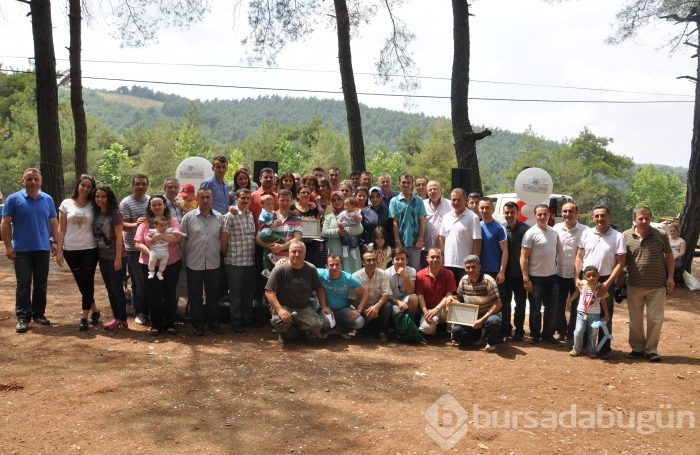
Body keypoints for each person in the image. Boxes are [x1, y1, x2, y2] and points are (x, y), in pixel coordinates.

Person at [2, 168, 59, 333]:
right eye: (29, 179)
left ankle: (38, 314)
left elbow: (53, 222)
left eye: (36, 179)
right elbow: (5, 223)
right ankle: (23, 317)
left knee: (41, 284)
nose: (33, 182)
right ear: (23, 180)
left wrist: (55, 242)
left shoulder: (47, 199)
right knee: (23, 284)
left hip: (42, 248)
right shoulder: (13, 199)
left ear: (40, 181)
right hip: (22, 250)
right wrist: (8, 246)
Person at [575, 204, 626, 359]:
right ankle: (585, 346)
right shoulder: (586, 234)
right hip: (586, 279)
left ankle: (603, 349)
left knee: (605, 314)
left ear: (608, 217)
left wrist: (607, 284)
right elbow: (579, 257)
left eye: (602, 215)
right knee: (585, 311)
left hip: (605, 279)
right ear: (593, 217)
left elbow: (621, 263)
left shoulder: (618, 236)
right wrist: (577, 277)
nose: (599, 219)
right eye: (596, 216)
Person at [623, 206, 674, 362]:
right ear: (635, 219)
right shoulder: (625, 236)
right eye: (641, 218)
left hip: (657, 285)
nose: (644, 221)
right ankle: (637, 348)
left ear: (650, 219)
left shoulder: (661, 235)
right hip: (634, 284)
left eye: (647, 218)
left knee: (655, 319)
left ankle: (651, 350)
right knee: (635, 320)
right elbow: (621, 260)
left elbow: (670, 257)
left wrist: (670, 277)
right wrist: (619, 280)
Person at [56, 174, 100, 331]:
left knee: (87, 281)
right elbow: (61, 228)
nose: (85, 189)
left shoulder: (94, 204)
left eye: (89, 186)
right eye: (83, 185)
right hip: (70, 249)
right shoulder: (66, 204)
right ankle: (95, 310)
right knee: (81, 282)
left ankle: (84, 317)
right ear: (78, 186)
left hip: (90, 248)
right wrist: (59, 249)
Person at [135, 195, 183, 336]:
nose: (157, 207)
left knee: (169, 294)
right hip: (149, 264)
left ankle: (170, 324)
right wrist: (151, 255)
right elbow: (138, 243)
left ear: (165, 206)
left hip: (172, 263)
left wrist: (159, 236)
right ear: (150, 207)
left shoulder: (172, 221)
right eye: (153, 205)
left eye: (159, 204)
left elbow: (175, 238)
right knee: (155, 295)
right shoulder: (144, 224)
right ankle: (156, 324)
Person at [266, 240, 330, 344]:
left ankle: (298, 329)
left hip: (303, 307)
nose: (296, 254)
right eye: (294, 251)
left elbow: (319, 289)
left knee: (317, 326)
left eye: (300, 252)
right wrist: (280, 310)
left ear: (305, 254)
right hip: (284, 306)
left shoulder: (311, 269)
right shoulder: (280, 269)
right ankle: (284, 332)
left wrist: (323, 307)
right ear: (289, 253)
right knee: (278, 322)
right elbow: (269, 292)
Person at [180, 188, 224, 337]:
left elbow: (222, 239)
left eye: (208, 197)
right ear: (198, 199)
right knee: (195, 296)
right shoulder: (188, 217)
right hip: (194, 263)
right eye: (202, 197)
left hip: (213, 262)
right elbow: (182, 241)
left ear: (211, 199)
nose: (205, 200)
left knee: (213, 295)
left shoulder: (219, 218)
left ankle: (213, 323)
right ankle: (198, 324)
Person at [520, 204, 562, 345]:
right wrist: (526, 278)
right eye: (539, 214)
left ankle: (548, 335)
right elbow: (523, 257)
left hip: (552, 277)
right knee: (535, 310)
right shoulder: (530, 233)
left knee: (551, 310)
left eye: (545, 214)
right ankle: (535, 335)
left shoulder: (554, 232)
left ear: (549, 215)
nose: (542, 217)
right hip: (535, 278)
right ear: (535, 215)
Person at [92, 184, 129, 330]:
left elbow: (119, 237)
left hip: (116, 256)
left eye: (103, 196)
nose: (100, 199)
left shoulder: (114, 213)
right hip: (103, 256)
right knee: (110, 288)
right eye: (97, 196)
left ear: (109, 198)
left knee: (116, 288)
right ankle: (117, 317)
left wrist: (118, 258)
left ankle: (122, 319)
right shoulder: (96, 213)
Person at [448, 255, 503, 351]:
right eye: (468, 267)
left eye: (473, 267)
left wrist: (482, 320)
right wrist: (452, 299)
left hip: (488, 315)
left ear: (479, 267)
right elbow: (460, 299)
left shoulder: (488, 281)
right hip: (471, 318)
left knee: (494, 322)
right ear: (464, 268)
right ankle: (479, 336)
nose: (470, 270)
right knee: (456, 331)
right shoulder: (464, 280)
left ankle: (491, 341)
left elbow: (498, 303)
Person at [221, 188, 256, 333]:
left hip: (249, 261)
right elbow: (224, 238)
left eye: (248, 198)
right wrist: (225, 256)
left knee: (248, 293)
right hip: (234, 261)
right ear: (236, 198)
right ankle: (236, 321)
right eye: (243, 198)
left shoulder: (250, 215)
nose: (246, 201)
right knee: (235, 294)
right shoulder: (230, 216)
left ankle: (247, 319)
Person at [552, 202, 587, 342]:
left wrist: (579, 276)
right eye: (565, 211)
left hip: (577, 276)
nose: (567, 214)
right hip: (559, 273)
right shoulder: (555, 229)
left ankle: (572, 332)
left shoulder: (585, 231)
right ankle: (560, 330)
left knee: (576, 306)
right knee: (558, 304)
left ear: (576, 213)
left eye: (571, 211)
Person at [120, 174, 150, 324]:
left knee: (151, 280)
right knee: (138, 282)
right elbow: (122, 225)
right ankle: (139, 312)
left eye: (143, 184)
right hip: (133, 249)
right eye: (137, 184)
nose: (140, 186)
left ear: (147, 186)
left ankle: (150, 310)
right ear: (132, 186)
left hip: (150, 248)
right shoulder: (126, 203)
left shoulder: (151, 201)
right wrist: (136, 224)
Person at [317, 255, 368, 339]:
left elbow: (365, 293)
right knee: (326, 322)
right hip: (327, 309)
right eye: (331, 265)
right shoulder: (320, 273)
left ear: (341, 265)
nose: (334, 267)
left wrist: (358, 310)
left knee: (360, 321)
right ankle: (328, 330)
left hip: (343, 309)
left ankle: (342, 330)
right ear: (326, 266)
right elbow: (306, 266)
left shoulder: (348, 278)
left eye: (337, 264)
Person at [499, 201, 529, 341]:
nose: (509, 215)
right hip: (504, 274)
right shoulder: (501, 229)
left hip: (519, 275)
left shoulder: (525, 230)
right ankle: (505, 329)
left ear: (517, 213)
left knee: (520, 304)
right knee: (504, 303)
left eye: (512, 212)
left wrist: (527, 276)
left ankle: (519, 330)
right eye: (507, 212)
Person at [439, 188, 482, 284]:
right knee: (450, 295)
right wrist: (441, 257)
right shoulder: (446, 217)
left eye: (459, 199)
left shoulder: (472, 217)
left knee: (465, 295)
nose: (456, 202)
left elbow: (477, 242)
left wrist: (474, 262)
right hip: (447, 263)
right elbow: (442, 238)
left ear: (465, 200)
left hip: (465, 265)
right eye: (453, 200)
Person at [352, 251, 394, 341]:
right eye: (368, 260)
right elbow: (351, 299)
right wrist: (363, 310)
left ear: (377, 261)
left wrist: (376, 307)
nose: (371, 262)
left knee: (388, 306)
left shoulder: (383, 274)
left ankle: (382, 332)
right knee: (360, 323)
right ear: (363, 262)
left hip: (377, 308)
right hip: (361, 308)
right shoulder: (355, 276)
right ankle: (364, 329)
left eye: (373, 260)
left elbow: (386, 294)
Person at [569, 265, 610, 358]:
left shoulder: (601, 287)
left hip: (595, 315)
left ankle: (591, 350)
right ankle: (576, 348)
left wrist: (607, 315)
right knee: (578, 331)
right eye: (588, 276)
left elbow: (603, 302)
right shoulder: (582, 283)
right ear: (584, 276)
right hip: (581, 313)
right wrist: (569, 301)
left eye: (594, 275)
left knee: (593, 333)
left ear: (598, 276)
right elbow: (577, 291)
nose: (591, 278)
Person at [390, 173, 426, 270]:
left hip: (415, 243)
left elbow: (422, 221)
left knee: (414, 271)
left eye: (408, 182)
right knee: (400, 270)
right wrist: (397, 240)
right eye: (403, 182)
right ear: (399, 183)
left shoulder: (418, 201)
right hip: (401, 242)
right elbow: (394, 222)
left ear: (412, 184)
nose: (406, 185)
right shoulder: (394, 201)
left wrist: (420, 239)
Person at [416, 248, 456, 335]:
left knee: (452, 300)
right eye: (432, 257)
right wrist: (426, 312)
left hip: (443, 309)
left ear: (442, 258)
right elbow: (420, 296)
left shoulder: (449, 274)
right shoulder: (419, 274)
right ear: (427, 258)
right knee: (426, 329)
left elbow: (448, 295)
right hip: (428, 310)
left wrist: (437, 309)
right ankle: (438, 330)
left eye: (438, 257)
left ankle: (452, 331)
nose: (435, 259)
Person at [324, 191, 364, 273]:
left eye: (339, 199)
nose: (337, 202)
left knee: (352, 275)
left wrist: (346, 231)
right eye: (334, 200)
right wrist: (338, 232)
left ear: (343, 200)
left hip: (350, 251)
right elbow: (324, 232)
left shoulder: (354, 214)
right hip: (335, 251)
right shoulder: (329, 217)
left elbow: (360, 229)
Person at [478, 197, 508, 285]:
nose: (484, 210)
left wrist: (502, 272)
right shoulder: (477, 226)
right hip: (479, 271)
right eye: (482, 208)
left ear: (493, 209)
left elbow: (505, 251)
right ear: (478, 209)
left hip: (494, 271)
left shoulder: (499, 228)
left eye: (487, 207)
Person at [147, 216, 186, 280]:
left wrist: (182, 234)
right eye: (161, 225)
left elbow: (176, 232)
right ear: (156, 226)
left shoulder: (168, 231)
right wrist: (150, 240)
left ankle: (160, 272)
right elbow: (147, 236)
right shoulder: (153, 231)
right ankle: (151, 271)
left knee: (164, 262)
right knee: (151, 260)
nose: (164, 227)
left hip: (165, 251)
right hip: (154, 251)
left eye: (165, 225)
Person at [423, 180, 452, 268]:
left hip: (444, 248)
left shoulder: (449, 204)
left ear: (440, 190)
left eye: (435, 189)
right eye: (430, 190)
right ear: (427, 192)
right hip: (425, 248)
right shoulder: (422, 204)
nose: (433, 192)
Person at [386, 247, 419, 314]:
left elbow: (410, 291)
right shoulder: (386, 273)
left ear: (407, 261)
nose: (400, 261)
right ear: (392, 261)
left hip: (405, 299)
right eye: (397, 259)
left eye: (402, 259)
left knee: (414, 298)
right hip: (392, 300)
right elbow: (386, 295)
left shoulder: (411, 271)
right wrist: (397, 302)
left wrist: (405, 276)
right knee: (396, 311)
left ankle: (410, 320)